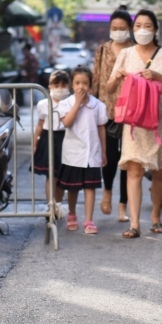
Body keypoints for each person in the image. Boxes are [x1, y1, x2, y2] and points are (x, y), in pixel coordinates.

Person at [110, 9, 162, 238]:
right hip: (134, 125)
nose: (142, 30)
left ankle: (155, 218)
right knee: (133, 170)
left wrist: (158, 77)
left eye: (148, 26)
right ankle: (134, 223)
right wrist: (117, 76)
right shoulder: (126, 54)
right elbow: (109, 88)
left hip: (157, 122)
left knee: (159, 172)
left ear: (155, 29)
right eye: (139, 25)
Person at [57, 67, 108, 234]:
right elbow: (67, 123)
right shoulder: (66, 104)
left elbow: (101, 129)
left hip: (92, 153)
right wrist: (78, 104)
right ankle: (72, 215)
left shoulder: (97, 105)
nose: (81, 87)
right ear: (72, 85)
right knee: (72, 187)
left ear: (91, 86)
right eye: (77, 83)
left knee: (90, 187)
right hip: (73, 154)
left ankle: (89, 220)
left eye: (85, 83)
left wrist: (103, 152)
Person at [95, 8, 135, 222]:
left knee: (128, 160)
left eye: (122, 28)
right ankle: (107, 192)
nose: (118, 32)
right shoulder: (102, 50)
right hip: (107, 110)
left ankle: (123, 206)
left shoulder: (136, 50)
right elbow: (96, 79)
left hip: (130, 111)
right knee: (109, 157)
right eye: (114, 28)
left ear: (129, 29)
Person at [32, 70, 70, 218]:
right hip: (48, 138)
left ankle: (58, 205)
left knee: (61, 176)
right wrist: (35, 142)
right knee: (51, 175)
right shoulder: (43, 104)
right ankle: (50, 206)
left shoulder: (70, 103)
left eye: (63, 84)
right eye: (56, 84)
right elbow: (40, 124)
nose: (60, 88)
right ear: (49, 86)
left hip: (65, 139)